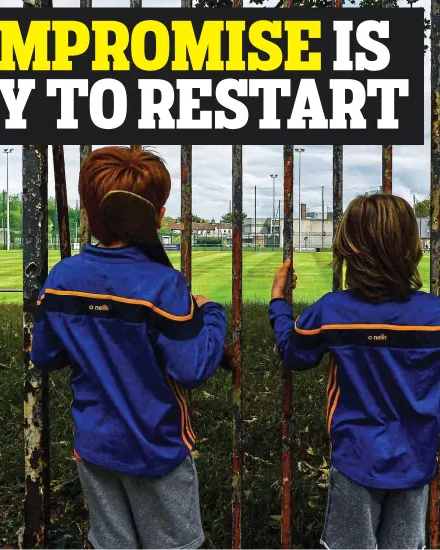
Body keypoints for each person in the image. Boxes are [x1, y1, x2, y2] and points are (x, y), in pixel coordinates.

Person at [30, 146, 227, 549]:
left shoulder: (62, 278)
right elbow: (191, 367)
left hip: (95, 447)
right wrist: (212, 314)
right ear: (156, 216)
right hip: (157, 450)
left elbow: (45, 355)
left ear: (87, 213)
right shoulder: (163, 285)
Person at [269, 194, 440, 549]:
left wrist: (278, 302)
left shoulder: (333, 310)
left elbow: (294, 353)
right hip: (416, 459)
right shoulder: (433, 314)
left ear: (349, 248)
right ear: (411, 246)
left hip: (356, 458)